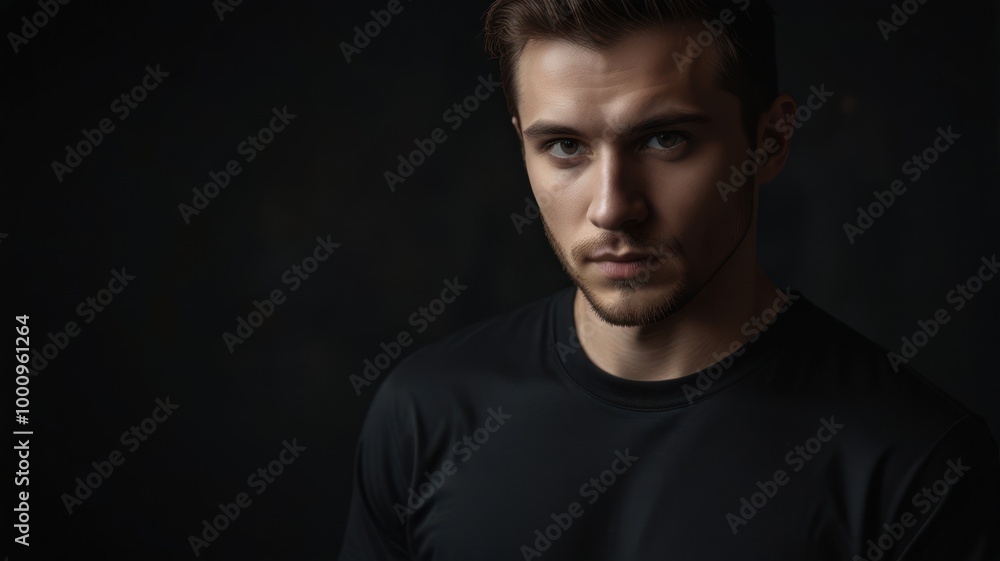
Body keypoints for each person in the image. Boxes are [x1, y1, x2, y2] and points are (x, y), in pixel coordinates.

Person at [338, 1, 1000, 559]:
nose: (611, 206)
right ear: (522, 144)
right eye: (564, 146)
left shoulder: (912, 461)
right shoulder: (424, 413)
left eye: (664, 141)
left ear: (770, 141)